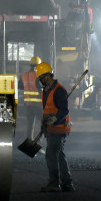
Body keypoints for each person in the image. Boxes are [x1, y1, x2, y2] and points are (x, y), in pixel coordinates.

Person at [36, 62, 74, 192]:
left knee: (51, 155)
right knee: (59, 155)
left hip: (59, 128)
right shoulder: (46, 91)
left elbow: (64, 110)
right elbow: (47, 109)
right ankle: (67, 183)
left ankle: (54, 183)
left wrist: (55, 119)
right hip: (51, 128)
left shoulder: (59, 90)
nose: (40, 80)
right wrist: (44, 123)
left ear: (47, 76)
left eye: (41, 77)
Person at [18, 56, 44, 140]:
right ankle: (39, 141)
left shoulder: (24, 76)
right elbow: (42, 88)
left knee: (30, 125)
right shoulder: (38, 76)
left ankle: (29, 141)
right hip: (38, 105)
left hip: (28, 105)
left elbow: (20, 86)